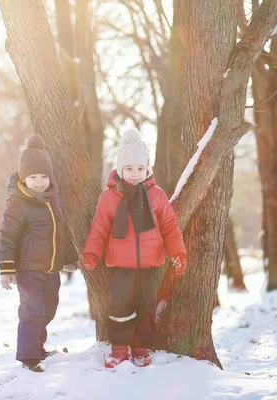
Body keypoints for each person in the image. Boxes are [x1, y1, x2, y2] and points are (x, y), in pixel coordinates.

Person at [82, 128, 187, 368]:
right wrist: (91, 253)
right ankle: (119, 347)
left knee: (146, 306)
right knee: (120, 306)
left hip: (151, 264)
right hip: (120, 265)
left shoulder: (157, 196)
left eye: (140, 168)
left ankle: (140, 346)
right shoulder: (109, 197)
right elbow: (99, 228)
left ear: (148, 168)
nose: (135, 174)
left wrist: (178, 253)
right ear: (120, 170)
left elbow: (170, 227)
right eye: (129, 169)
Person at [0, 134, 79, 372]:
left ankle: (38, 347)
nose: (40, 181)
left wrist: (70, 257)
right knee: (32, 311)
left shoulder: (54, 199)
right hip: (28, 269)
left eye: (44, 176)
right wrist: (6, 267)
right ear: (24, 177)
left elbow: (62, 231)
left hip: (51, 268)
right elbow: (7, 236)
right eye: (33, 177)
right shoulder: (17, 202)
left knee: (49, 309)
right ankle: (28, 357)